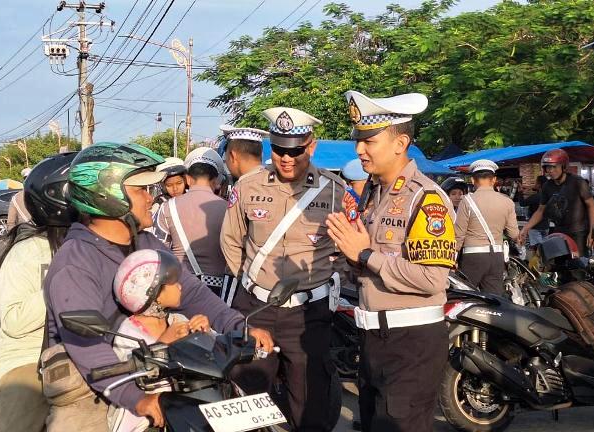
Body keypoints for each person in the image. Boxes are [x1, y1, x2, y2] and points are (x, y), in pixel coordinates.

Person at [43, 142, 273, 430]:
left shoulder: (147, 243)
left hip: (158, 372)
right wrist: (136, 398)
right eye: (141, 190)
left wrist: (238, 326)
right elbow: (86, 346)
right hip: (95, 387)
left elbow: (192, 291)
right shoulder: (76, 263)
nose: (151, 198)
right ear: (106, 195)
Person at [325, 90, 456, 432]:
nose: (359, 149)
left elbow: (432, 280)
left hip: (411, 342)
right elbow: (367, 267)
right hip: (373, 337)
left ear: (400, 144)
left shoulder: (426, 198)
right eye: (358, 140)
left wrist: (366, 255)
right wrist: (351, 259)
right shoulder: (374, 194)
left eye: (369, 140)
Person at [221, 106, 346, 431]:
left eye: (295, 150)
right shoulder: (248, 187)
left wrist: (329, 286)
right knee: (245, 403)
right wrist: (250, 284)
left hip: (309, 316)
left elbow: (347, 251)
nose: (286, 158)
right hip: (256, 308)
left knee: (311, 408)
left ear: (312, 146)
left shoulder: (335, 192)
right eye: (279, 150)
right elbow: (231, 241)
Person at [0, 152, 78, 432]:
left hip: (83, 357)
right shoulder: (26, 252)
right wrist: (58, 286)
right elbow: (14, 322)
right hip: (28, 362)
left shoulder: (91, 247)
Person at [110, 248, 212, 432]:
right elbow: (129, 373)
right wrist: (163, 343)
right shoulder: (128, 332)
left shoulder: (177, 321)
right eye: (173, 283)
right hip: (148, 418)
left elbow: (211, 355)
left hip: (187, 407)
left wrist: (205, 332)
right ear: (153, 293)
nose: (180, 286)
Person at [153, 147, 229, 297]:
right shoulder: (228, 209)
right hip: (219, 290)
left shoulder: (167, 208)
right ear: (215, 181)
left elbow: (158, 250)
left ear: (187, 179)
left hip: (181, 286)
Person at [453, 160, 519, 296]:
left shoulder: (467, 201)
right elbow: (513, 234)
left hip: (472, 257)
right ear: (494, 180)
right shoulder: (507, 201)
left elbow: (458, 235)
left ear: (473, 180)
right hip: (497, 257)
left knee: (465, 297)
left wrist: (452, 258)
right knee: (494, 301)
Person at [519, 149, 594, 256]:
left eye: (554, 166)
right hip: (559, 233)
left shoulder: (578, 182)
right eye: (548, 167)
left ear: (563, 166)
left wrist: (593, 232)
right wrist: (526, 228)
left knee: (579, 265)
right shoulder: (547, 186)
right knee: (557, 264)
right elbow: (540, 211)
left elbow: (592, 206)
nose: (550, 170)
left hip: (579, 232)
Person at [521, 175, 550, 249]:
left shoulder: (536, 197)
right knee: (545, 249)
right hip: (546, 226)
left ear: (539, 184)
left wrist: (520, 192)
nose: (535, 184)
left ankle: (537, 260)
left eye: (536, 183)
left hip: (535, 227)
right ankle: (544, 260)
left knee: (537, 249)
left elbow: (522, 203)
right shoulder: (548, 196)